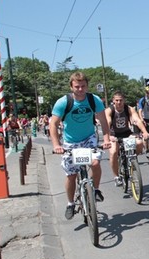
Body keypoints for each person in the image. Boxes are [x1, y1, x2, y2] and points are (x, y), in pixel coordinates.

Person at [50, 71, 111, 220]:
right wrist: (56, 145)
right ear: (71, 86)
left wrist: (107, 139)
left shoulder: (94, 100)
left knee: (95, 163)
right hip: (70, 142)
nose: (80, 89)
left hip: (88, 139)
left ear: (87, 86)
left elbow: (103, 121)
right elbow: (53, 124)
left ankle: (95, 190)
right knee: (71, 175)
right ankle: (70, 203)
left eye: (83, 86)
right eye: (77, 86)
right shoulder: (63, 102)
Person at [106, 91, 149, 187]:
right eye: (116, 100)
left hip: (126, 133)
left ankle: (132, 160)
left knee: (139, 143)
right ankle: (116, 177)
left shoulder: (129, 109)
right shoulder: (109, 110)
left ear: (124, 100)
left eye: (121, 100)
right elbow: (107, 123)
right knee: (113, 152)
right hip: (114, 134)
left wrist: (144, 132)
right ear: (113, 101)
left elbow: (137, 120)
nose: (119, 102)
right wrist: (109, 136)